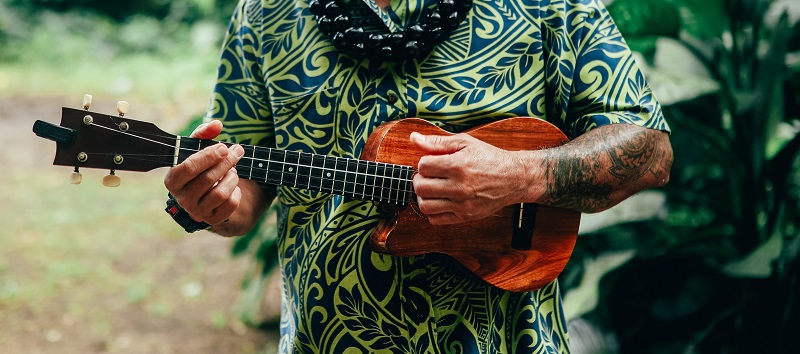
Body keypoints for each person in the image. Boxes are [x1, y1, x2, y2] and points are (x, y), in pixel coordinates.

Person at [163, 0, 673, 352]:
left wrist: (521, 174)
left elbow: (649, 149)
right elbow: (244, 188)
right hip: (326, 342)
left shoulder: (547, 4)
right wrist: (218, 203)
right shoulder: (266, 13)